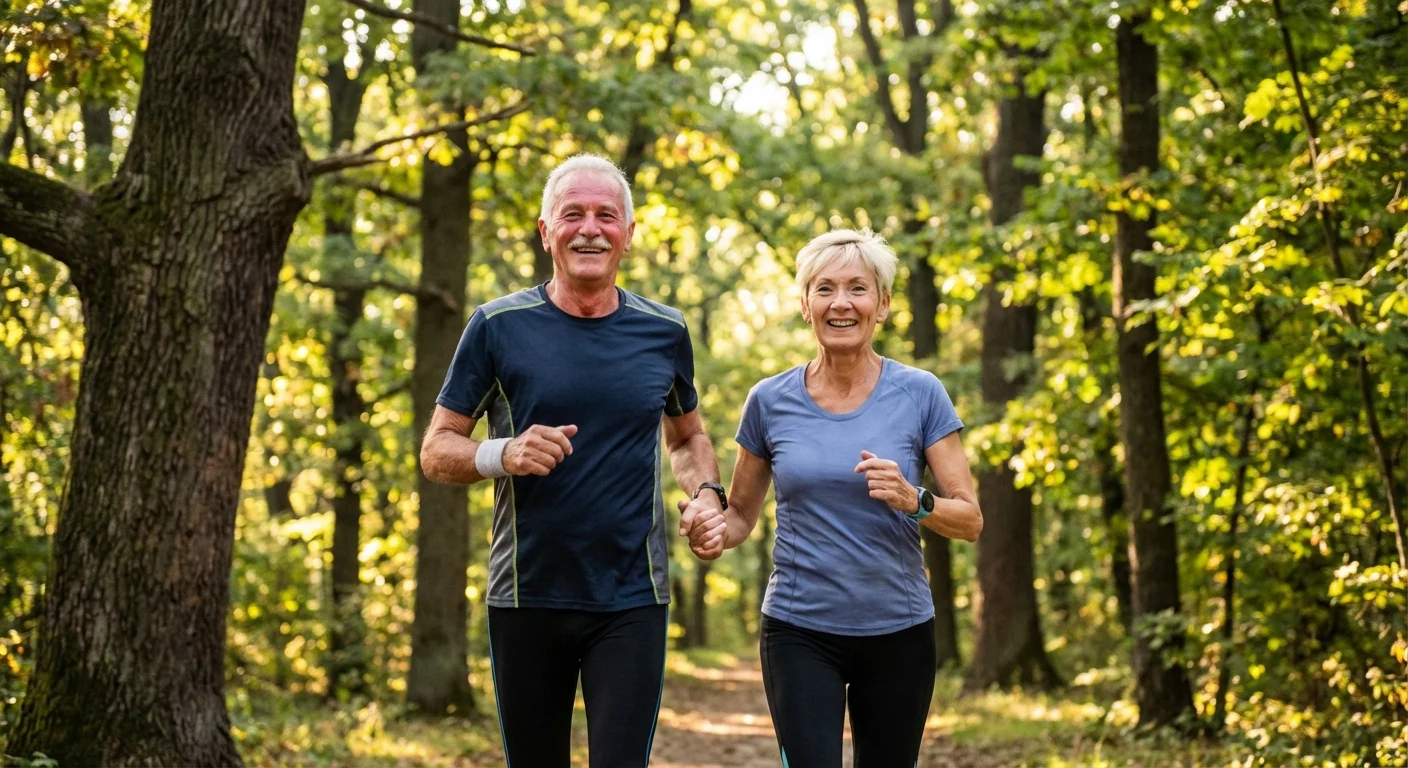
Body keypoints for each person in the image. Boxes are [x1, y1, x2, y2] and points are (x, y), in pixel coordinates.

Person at [421, 153, 724, 768]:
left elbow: (687, 438)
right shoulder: (496, 326)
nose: (591, 228)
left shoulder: (664, 330)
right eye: (573, 214)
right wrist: (502, 452)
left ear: (629, 235)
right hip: (527, 594)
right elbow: (436, 450)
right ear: (546, 232)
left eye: (607, 216)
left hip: (632, 596)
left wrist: (708, 497)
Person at [681, 228, 983, 768]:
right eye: (824, 289)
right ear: (805, 305)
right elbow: (741, 517)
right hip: (799, 629)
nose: (841, 303)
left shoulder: (920, 393)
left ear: (883, 304)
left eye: (858, 289)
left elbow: (970, 519)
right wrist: (710, 530)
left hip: (899, 628)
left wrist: (915, 499)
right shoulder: (769, 401)